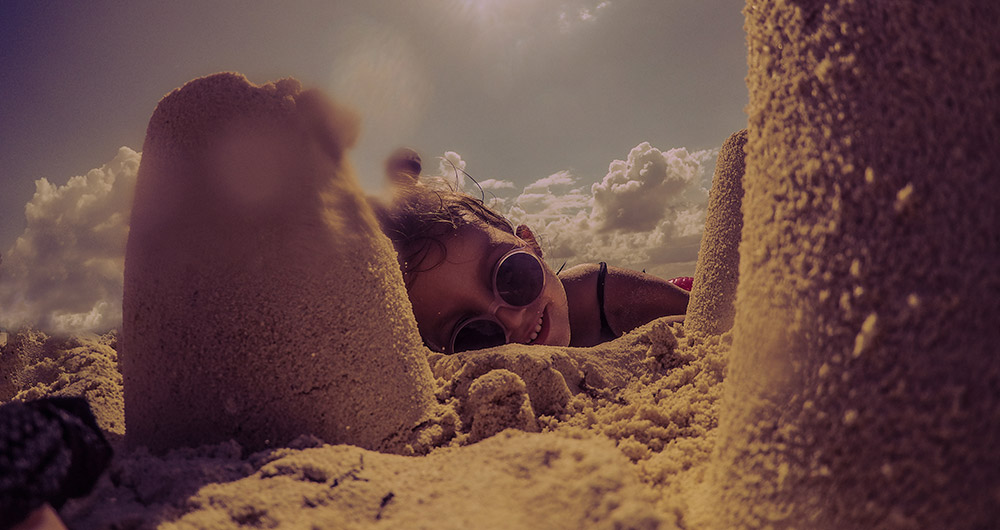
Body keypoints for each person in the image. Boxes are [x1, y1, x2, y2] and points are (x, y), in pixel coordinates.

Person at [372, 149, 691, 354]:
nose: (511, 318)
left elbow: (710, 317)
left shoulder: (599, 293)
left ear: (531, 244)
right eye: (474, 334)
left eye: (512, 277)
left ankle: (400, 182)